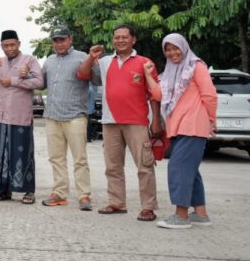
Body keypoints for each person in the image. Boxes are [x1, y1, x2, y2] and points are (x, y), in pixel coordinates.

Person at [77, 23, 162, 222]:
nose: (120, 40)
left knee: (144, 166)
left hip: (137, 121)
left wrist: (156, 120)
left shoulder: (144, 62)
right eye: (117, 37)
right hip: (110, 121)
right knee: (113, 166)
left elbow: (155, 94)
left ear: (133, 39)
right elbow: (82, 74)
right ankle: (116, 202)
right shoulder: (105, 61)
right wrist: (91, 56)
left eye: (125, 37)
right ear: (113, 40)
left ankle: (148, 207)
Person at [154, 33, 217, 229]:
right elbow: (158, 93)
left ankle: (181, 216)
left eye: (175, 48)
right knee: (191, 170)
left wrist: (212, 119)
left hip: (193, 125)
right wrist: (149, 76)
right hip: (178, 127)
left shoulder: (196, 66)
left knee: (178, 167)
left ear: (184, 47)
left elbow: (210, 95)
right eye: (168, 49)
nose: (172, 53)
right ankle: (201, 214)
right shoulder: (171, 71)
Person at [0, 29, 44, 204]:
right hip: (1, 116)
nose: (9, 48)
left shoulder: (29, 61)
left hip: (20, 116)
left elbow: (40, 82)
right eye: (6, 45)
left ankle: (28, 192)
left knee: (24, 153)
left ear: (18, 44)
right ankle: (3, 190)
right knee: (1, 154)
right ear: (1, 46)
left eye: (12, 44)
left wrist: (16, 80)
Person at [40, 26, 93, 211]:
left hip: (75, 116)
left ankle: (84, 195)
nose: (59, 43)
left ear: (70, 39)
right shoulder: (49, 60)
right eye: (56, 40)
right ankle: (60, 193)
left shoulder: (82, 57)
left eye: (62, 39)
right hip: (52, 116)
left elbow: (96, 80)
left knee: (80, 158)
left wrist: (93, 59)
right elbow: (41, 84)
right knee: (56, 158)